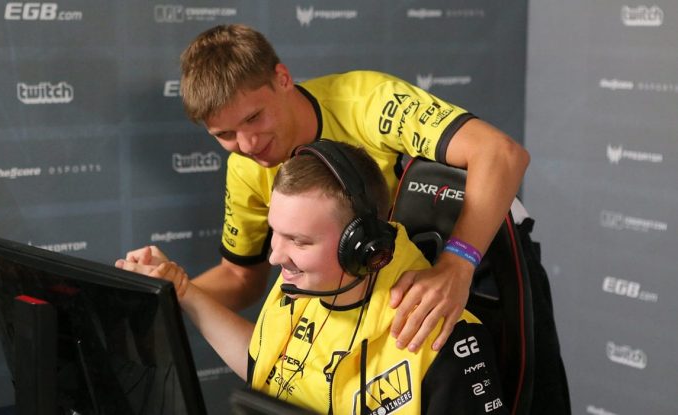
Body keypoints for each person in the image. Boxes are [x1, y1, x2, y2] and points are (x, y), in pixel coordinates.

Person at [123, 23, 531, 354]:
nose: (247, 144)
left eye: (254, 118)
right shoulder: (245, 166)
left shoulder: (365, 100)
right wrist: (172, 289)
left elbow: (501, 153)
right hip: (375, 307)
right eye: (225, 134)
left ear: (282, 78)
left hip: (474, 266)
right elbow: (241, 277)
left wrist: (458, 265)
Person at [117, 140, 507, 414]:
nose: (275, 256)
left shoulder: (440, 338)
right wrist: (182, 290)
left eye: (299, 241)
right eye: (276, 233)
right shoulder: (304, 285)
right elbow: (264, 366)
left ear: (362, 246)